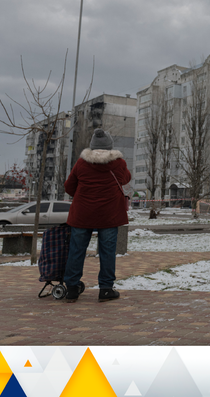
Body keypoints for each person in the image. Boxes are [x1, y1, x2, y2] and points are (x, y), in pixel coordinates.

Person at [63, 129, 131, 303]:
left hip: (82, 214)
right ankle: (106, 289)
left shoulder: (81, 163)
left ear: (92, 146)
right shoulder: (118, 163)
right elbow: (126, 179)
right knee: (107, 252)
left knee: (76, 251)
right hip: (109, 215)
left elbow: (69, 187)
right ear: (110, 146)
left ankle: (71, 288)